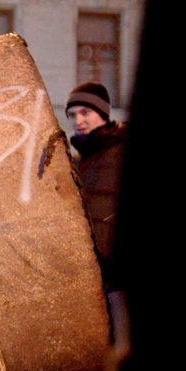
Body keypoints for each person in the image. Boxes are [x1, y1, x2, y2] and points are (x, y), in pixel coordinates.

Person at [66, 82, 127, 296]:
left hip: (119, 281)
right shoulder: (79, 162)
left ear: (102, 113)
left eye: (85, 112)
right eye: (72, 115)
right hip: (90, 278)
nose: (78, 121)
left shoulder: (122, 152)